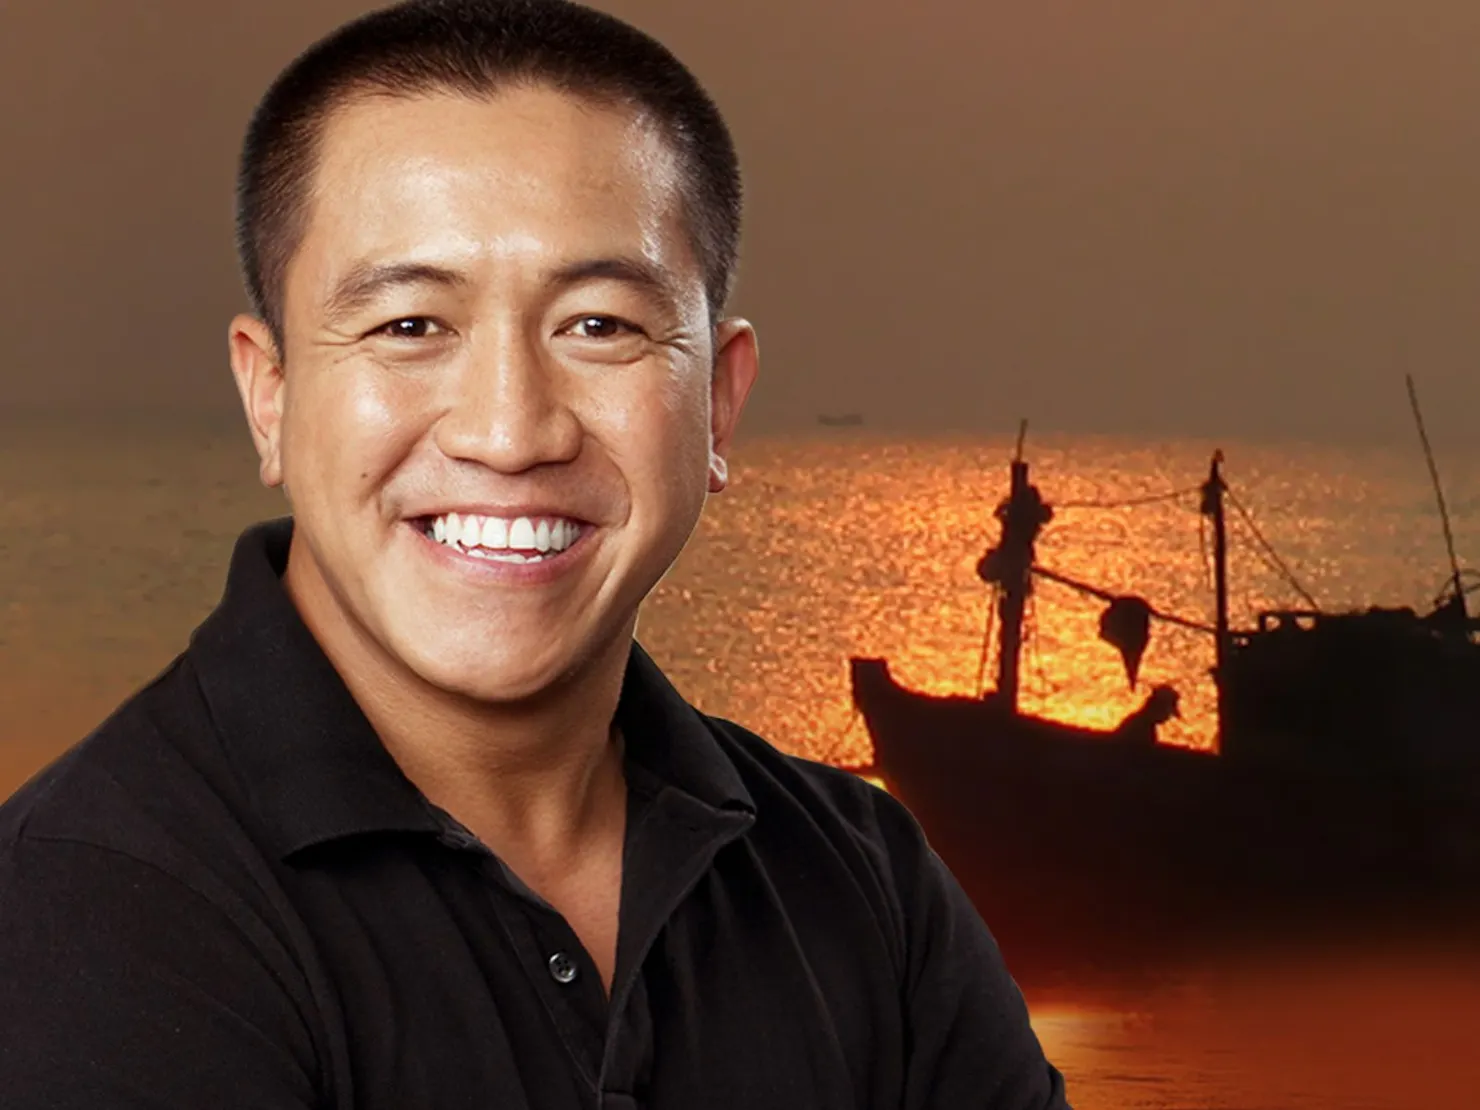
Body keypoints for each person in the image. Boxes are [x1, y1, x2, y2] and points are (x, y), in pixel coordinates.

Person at [0, 2, 1070, 1106]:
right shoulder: (90, 906)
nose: (510, 433)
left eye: (600, 325)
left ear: (717, 403)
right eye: (410, 326)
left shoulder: (863, 884)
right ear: (269, 397)